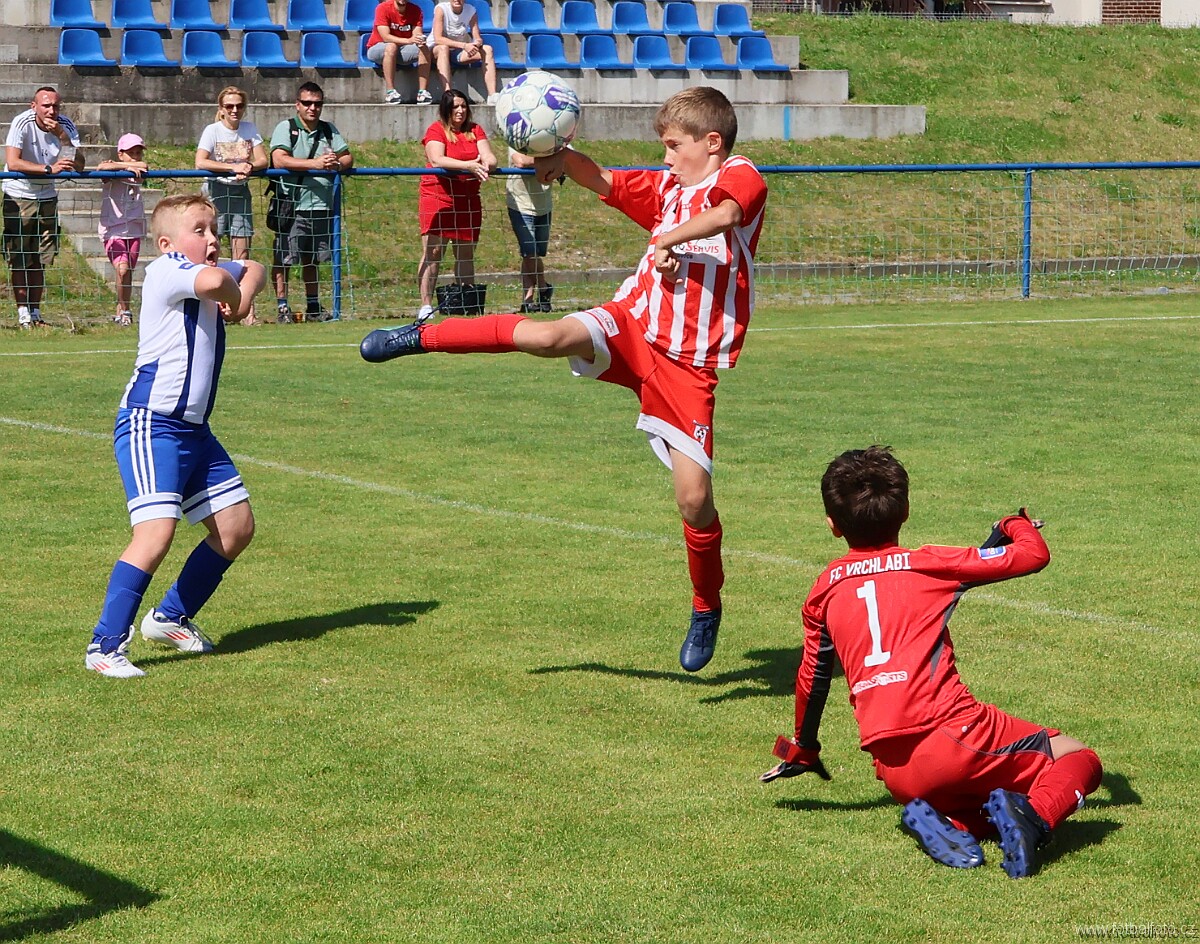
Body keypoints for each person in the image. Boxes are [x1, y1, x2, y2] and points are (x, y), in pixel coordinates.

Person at [361, 87, 768, 673]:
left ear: (711, 143)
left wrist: (668, 239)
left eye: (673, 146)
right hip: (633, 324)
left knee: (694, 500)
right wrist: (558, 157)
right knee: (547, 337)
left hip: (686, 365)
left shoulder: (740, 175)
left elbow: (728, 214)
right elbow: (601, 178)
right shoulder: (667, 190)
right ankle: (423, 335)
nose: (665, 157)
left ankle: (706, 606)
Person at [761, 446, 1104, 879]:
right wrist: (1011, 524)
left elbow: (812, 679)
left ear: (832, 525)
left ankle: (953, 824)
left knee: (977, 795)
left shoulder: (823, 592)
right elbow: (1033, 555)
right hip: (955, 734)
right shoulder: (929, 564)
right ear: (905, 512)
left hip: (893, 768)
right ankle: (1034, 821)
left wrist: (803, 749)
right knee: (1077, 758)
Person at [84, 193, 267, 679]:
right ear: (167, 243)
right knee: (155, 533)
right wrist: (233, 294)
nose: (212, 239)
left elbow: (255, 266)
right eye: (199, 231)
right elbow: (215, 281)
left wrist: (242, 297)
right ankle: (104, 645)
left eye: (214, 230)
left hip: (195, 430)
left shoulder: (204, 267)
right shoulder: (167, 270)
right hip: (152, 423)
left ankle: (169, 617)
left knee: (236, 528)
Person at [269, 82, 354, 323]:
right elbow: (279, 160)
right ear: (297, 105)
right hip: (292, 207)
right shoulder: (286, 128)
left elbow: (347, 157)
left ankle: (313, 306)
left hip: (322, 207)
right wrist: (315, 164)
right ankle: (282, 307)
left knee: (312, 260)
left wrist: (336, 164)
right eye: (307, 103)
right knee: (284, 259)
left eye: (317, 104)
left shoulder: (328, 129)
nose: (312, 108)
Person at [2, 86, 84, 328]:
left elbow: (78, 165)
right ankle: (23, 315)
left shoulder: (65, 126)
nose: (51, 110)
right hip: (19, 193)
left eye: (55, 106)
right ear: (34, 106)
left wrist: (63, 137)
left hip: (47, 196)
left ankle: (35, 313)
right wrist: (48, 169)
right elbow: (13, 162)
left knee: (41, 257)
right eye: (46, 105)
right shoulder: (22, 123)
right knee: (19, 256)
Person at [414, 89, 497, 323]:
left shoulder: (475, 130)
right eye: (455, 107)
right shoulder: (436, 130)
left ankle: (466, 304)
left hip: (467, 198)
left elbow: (490, 156)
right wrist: (469, 165)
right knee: (433, 252)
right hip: (438, 196)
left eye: (463, 106)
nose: (460, 111)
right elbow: (436, 159)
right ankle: (426, 305)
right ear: (446, 110)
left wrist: (487, 163)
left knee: (465, 253)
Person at [195, 86, 269, 324]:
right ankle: (212, 306)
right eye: (229, 106)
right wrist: (232, 167)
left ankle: (245, 311)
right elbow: (200, 161)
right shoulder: (212, 130)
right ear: (222, 109)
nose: (234, 110)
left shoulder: (249, 129)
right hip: (216, 192)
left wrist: (250, 166)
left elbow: (262, 159)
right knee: (211, 249)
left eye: (239, 106)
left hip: (240, 193)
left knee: (242, 252)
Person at [94, 133, 149, 326]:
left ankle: (123, 309)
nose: (135, 157)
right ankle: (124, 309)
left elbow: (144, 166)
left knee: (127, 271)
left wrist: (129, 166)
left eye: (138, 153)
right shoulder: (114, 172)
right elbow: (102, 168)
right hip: (113, 229)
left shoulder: (139, 170)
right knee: (122, 269)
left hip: (134, 228)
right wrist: (124, 166)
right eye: (130, 153)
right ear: (120, 154)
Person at [505, 148, 554, 313]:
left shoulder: (554, 140)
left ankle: (528, 301)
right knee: (529, 252)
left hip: (544, 205)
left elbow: (568, 159)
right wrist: (551, 160)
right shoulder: (518, 138)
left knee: (533, 254)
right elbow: (520, 161)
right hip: (519, 205)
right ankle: (544, 287)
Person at [428, 0, 498, 105]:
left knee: (487, 49)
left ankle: (492, 94)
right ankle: (448, 94)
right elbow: (438, 39)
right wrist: (464, 45)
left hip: (457, 51)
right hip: (436, 50)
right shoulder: (441, 9)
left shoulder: (471, 10)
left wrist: (477, 43)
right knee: (443, 48)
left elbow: (477, 36)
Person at [365, 0, 434, 105]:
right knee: (391, 46)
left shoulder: (415, 10)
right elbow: (385, 37)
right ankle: (390, 92)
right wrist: (409, 40)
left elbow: (417, 34)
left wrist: (419, 40)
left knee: (424, 48)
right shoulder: (383, 8)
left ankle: (422, 92)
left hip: (402, 49)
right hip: (378, 47)